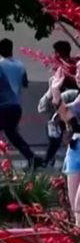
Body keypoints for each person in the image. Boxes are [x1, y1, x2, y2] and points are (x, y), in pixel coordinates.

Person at [0, 38, 36, 168]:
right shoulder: (20, 65)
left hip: (1, 106)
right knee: (12, 134)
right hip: (16, 106)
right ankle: (31, 157)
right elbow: (25, 83)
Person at [40, 40, 79, 168]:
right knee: (63, 131)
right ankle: (51, 158)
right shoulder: (73, 64)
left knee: (56, 131)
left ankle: (49, 159)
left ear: (58, 53)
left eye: (55, 52)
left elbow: (59, 88)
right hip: (68, 103)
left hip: (65, 102)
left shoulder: (63, 68)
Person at [51, 60, 80, 223]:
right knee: (75, 208)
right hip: (75, 149)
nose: (78, 75)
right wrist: (55, 91)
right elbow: (66, 116)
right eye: (77, 71)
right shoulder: (77, 97)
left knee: (79, 204)